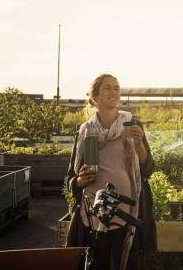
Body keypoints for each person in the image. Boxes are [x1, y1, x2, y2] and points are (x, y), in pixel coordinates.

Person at [66, 74, 156, 270]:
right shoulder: (86, 131)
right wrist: (80, 181)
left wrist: (139, 144)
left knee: (125, 263)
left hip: (128, 212)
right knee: (96, 264)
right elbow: (71, 179)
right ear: (95, 96)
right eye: (107, 87)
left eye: (116, 87)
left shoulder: (131, 124)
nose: (113, 91)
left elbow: (147, 168)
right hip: (93, 212)